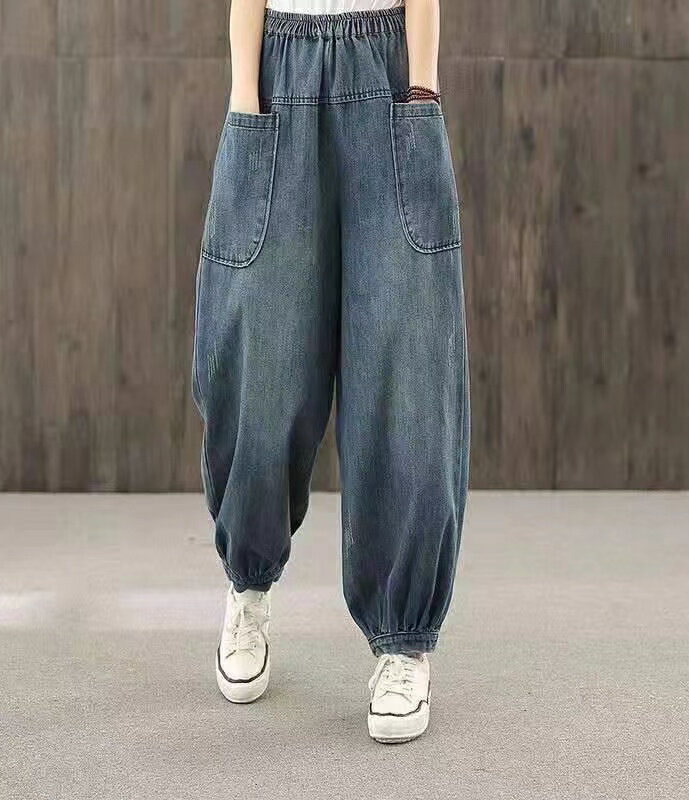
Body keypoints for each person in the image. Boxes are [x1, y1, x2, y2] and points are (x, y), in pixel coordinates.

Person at [192, 0, 470, 743]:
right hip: (277, 76)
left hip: (390, 72)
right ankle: (248, 585)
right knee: (261, 360)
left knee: (407, 368)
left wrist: (422, 87)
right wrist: (244, 93)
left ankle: (404, 642)